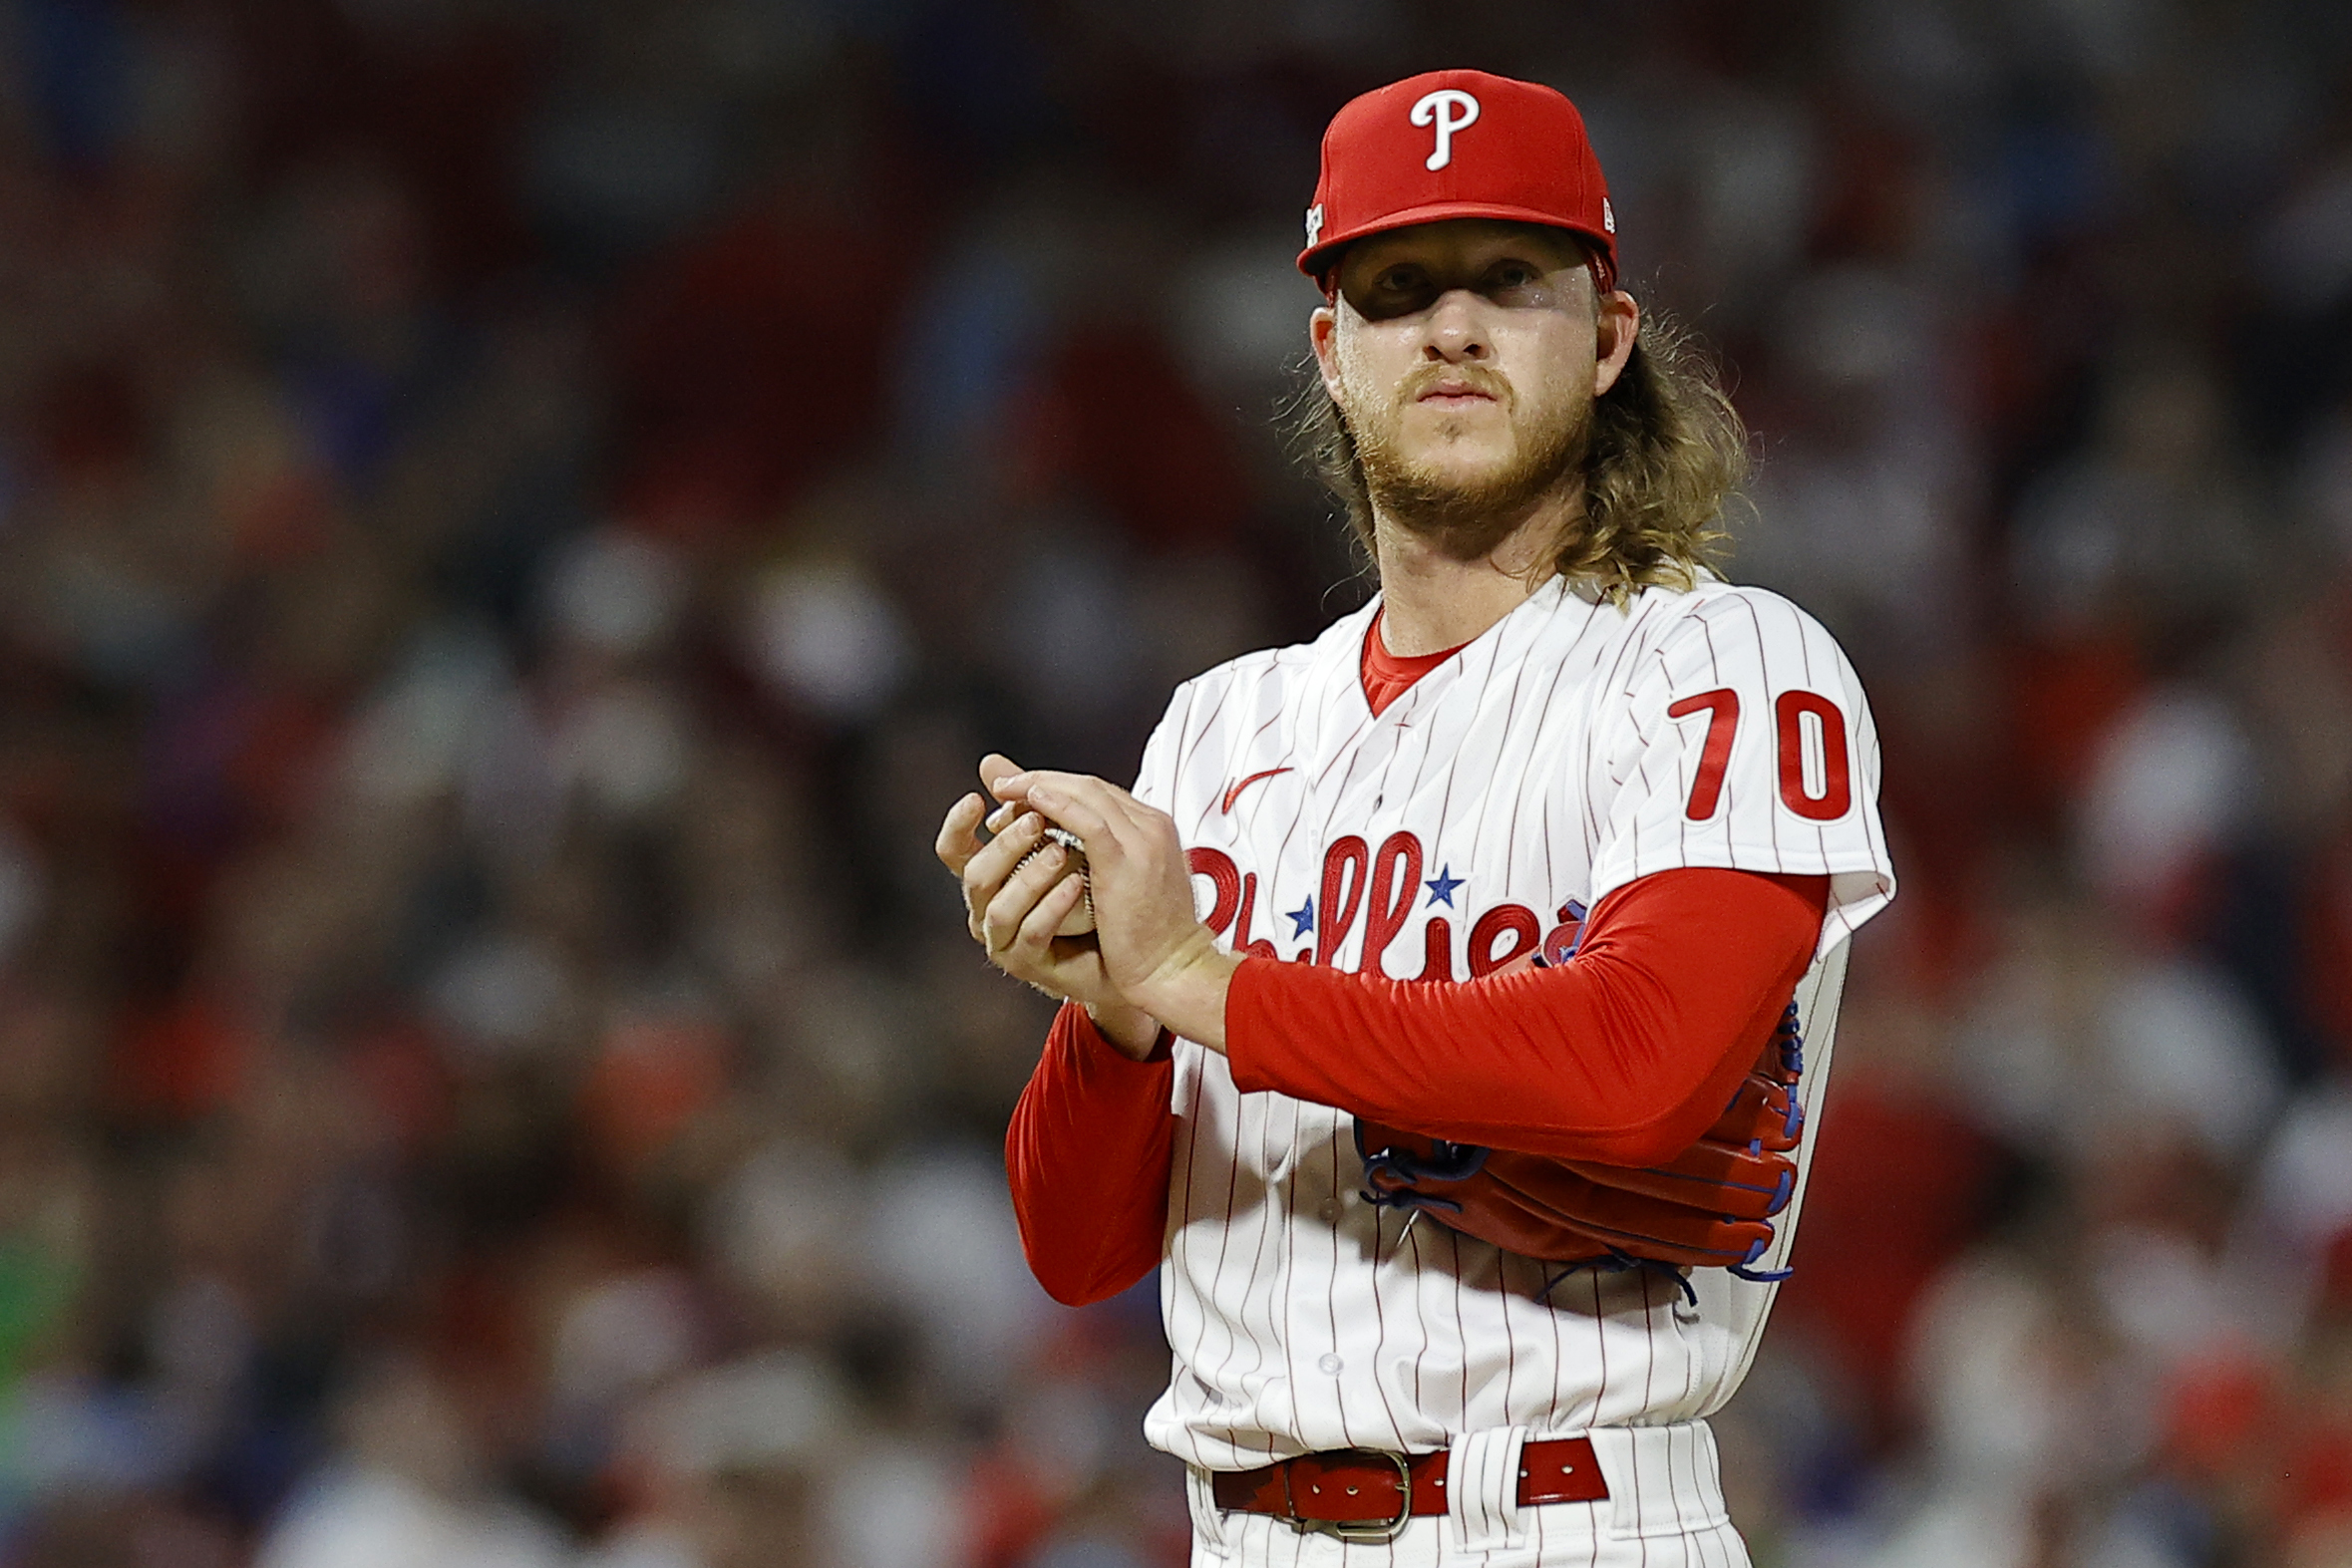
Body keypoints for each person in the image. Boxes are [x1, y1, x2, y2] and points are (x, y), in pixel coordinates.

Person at [935, 69, 1895, 1567]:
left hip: (1570, 1517)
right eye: (1395, 290)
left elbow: (1636, 1070)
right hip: (1244, 1533)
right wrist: (1111, 1018)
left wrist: (1196, 982)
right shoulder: (1223, 722)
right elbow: (1078, 1251)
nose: (1449, 327)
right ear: (1332, 352)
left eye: (1509, 280)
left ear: (1607, 340)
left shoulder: (1728, 661)